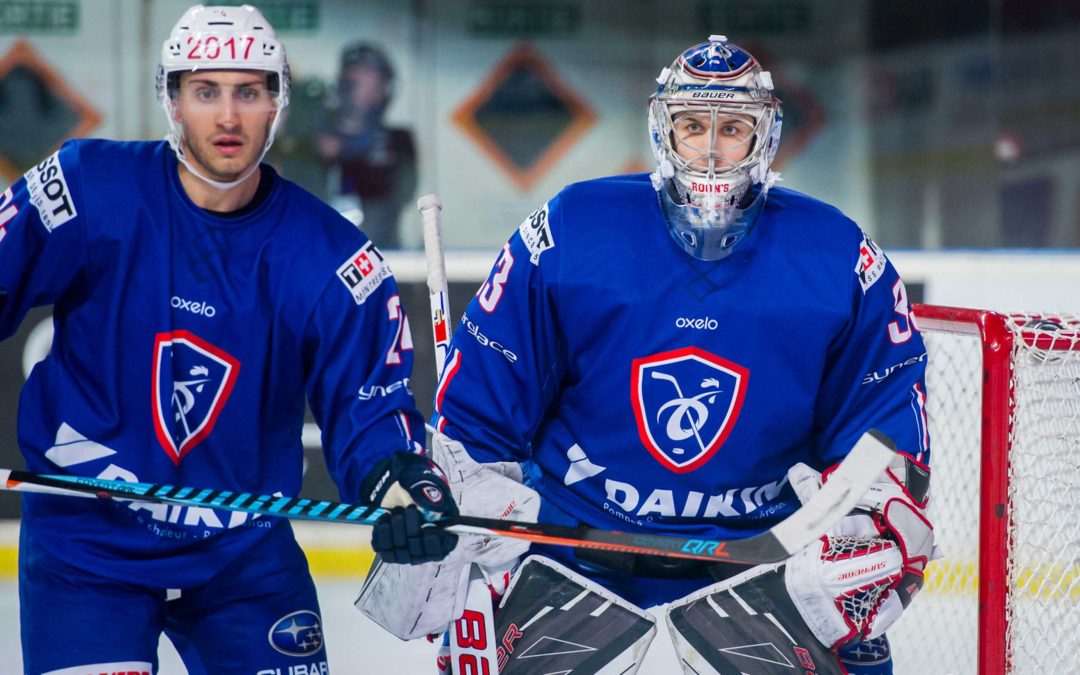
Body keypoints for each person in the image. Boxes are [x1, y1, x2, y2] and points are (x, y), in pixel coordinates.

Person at [373, 36, 937, 674]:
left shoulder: (838, 254)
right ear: (663, 130)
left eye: (735, 127)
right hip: (575, 551)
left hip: (763, 562)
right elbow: (476, 422)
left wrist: (867, 521)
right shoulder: (571, 230)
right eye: (693, 126)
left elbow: (882, 430)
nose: (713, 146)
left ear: (766, 136)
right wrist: (459, 503)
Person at [0, 5, 456, 673]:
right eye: (205, 91)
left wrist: (401, 481)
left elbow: (370, 411)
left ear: (278, 104)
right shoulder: (88, 187)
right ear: (173, 99)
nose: (228, 117)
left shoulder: (334, 261)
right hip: (86, 546)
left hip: (242, 553)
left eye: (250, 91)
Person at [317, 42, 417, 248]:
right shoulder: (317, 133)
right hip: (322, 250)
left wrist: (350, 148)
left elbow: (401, 191)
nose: (365, 88)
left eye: (375, 80)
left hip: (382, 251)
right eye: (357, 77)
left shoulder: (398, 140)